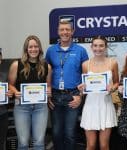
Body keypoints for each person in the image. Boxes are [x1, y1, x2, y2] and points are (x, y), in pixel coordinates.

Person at [45, 21, 88, 150]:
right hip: (55, 96)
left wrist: (80, 96)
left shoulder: (81, 50)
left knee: (70, 133)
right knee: (57, 133)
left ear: (72, 31)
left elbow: (86, 78)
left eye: (67, 30)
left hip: (73, 96)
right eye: (62, 30)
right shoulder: (51, 50)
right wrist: (47, 95)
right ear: (58, 32)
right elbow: (47, 72)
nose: (65, 32)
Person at [8, 35, 52, 150]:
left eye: (36, 46)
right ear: (26, 49)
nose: (33, 49)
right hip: (21, 107)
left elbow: (48, 86)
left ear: (40, 48)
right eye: (30, 47)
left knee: (39, 141)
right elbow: (10, 85)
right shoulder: (16, 65)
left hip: (40, 107)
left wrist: (49, 91)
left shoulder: (46, 66)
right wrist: (15, 92)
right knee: (23, 142)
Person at [78, 36, 119, 150]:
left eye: (101, 45)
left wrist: (112, 88)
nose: (98, 48)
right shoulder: (86, 64)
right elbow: (85, 87)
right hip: (90, 106)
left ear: (105, 47)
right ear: (91, 47)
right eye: (95, 45)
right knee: (90, 145)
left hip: (106, 105)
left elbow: (116, 83)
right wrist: (82, 89)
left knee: (104, 145)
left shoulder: (113, 63)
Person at [0, 50, 13, 150]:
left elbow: (11, 89)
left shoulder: (4, 75)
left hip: (2, 114)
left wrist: (10, 93)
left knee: (2, 142)